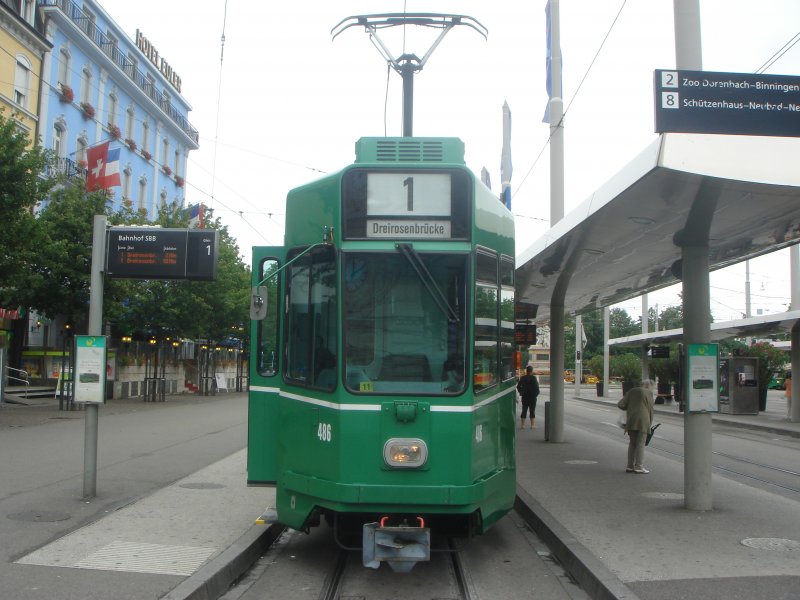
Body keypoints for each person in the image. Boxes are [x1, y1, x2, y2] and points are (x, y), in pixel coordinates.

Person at [617, 379, 655, 474]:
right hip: (643, 421)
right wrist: (650, 422)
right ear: (649, 386)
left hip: (631, 420)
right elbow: (650, 409)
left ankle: (630, 466)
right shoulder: (648, 393)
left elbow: (621, 405)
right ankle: (639, 466)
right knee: (641, 444)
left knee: (632, 443)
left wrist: (631, 406)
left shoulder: (631, 391)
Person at [516, 365, 540, 429]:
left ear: (526, 371)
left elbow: (518, 386)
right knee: (532, 410)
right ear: (531, 371)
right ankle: (532, 425)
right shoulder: (533, 378)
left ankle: (522, 425)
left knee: (524, 410)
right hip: (532, 397)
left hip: (525, 397)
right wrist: (535, 395)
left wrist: (521, 392)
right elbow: (537, 388)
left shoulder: (523, 378)